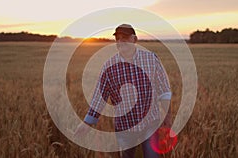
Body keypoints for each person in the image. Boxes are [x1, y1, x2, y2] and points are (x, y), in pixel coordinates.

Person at [74, 24, 172, 158]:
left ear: (134, 39)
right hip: (124, 127)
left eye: (124, 38)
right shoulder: (109, 66)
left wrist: (168, 116)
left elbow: (164, 90)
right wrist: (86, 123)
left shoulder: (151, 59)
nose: (120, 42)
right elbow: (99, 97)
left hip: (150, 123)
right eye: (117, 39)